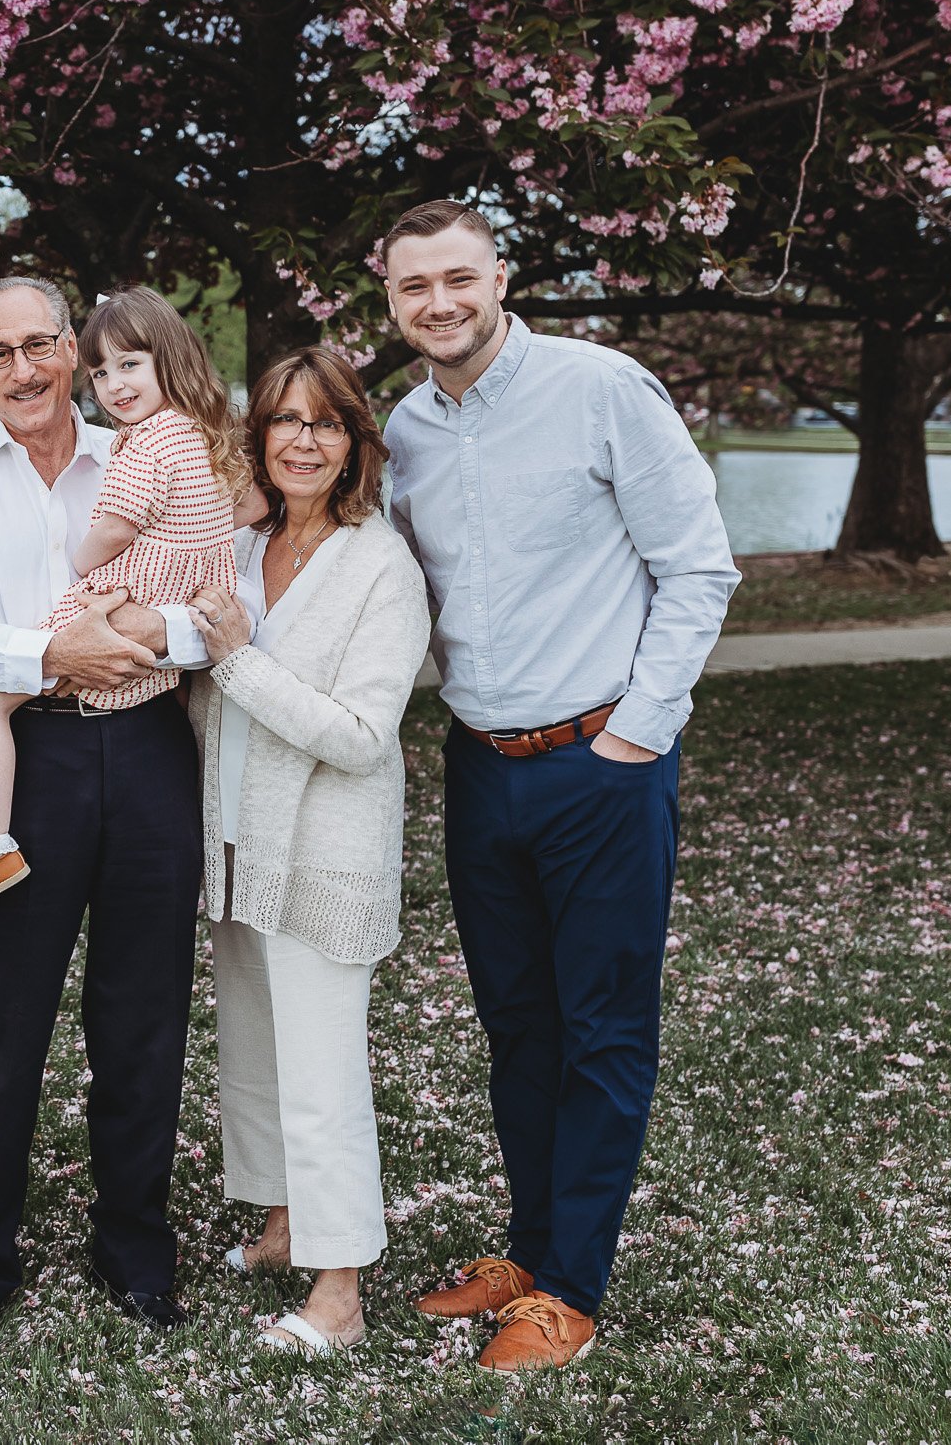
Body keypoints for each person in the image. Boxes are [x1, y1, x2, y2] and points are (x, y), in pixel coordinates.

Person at [380, 199, 738, 1371]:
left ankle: (571, 1288)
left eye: (456, 277)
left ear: (499, 276)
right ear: (389, 298)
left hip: (601, 763)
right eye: (411, 286)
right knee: (517, 1025)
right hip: (479, 764)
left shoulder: (601, 387)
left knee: (601, 1029)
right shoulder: (406, 430)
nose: (437, 302)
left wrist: (636, 734)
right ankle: (527, 1250)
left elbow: (698, 566)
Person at [0, 275, 216, 1344]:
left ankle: (133, 1247)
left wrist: (155, 637)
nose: (21, 371)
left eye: (39, 347)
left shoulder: (151, 445)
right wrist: (41, 647)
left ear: (74, 349)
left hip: (152, 743)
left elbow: (219, 600)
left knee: (143, 1012)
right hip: (15, 755)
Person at [182, 343, 429, 1359]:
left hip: (325, 853)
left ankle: (339, 1288)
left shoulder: (381, 565)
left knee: (322, 1073)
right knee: (255, 1051)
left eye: (324, 421)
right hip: (236, 844)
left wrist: (237, 658)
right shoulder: (242, 546)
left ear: (354, 441)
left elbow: (361, 733)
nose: (301, 439)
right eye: (283, 419)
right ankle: (285, 1224)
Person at [0, 286, 251, 915]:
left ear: (66, 350)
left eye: (129, 365)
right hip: (50, 737)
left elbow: (114, 531)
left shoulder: (131, 449)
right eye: (105, 373)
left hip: (142, 718)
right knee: (10, 977)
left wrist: (96, 580)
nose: (113, 384)